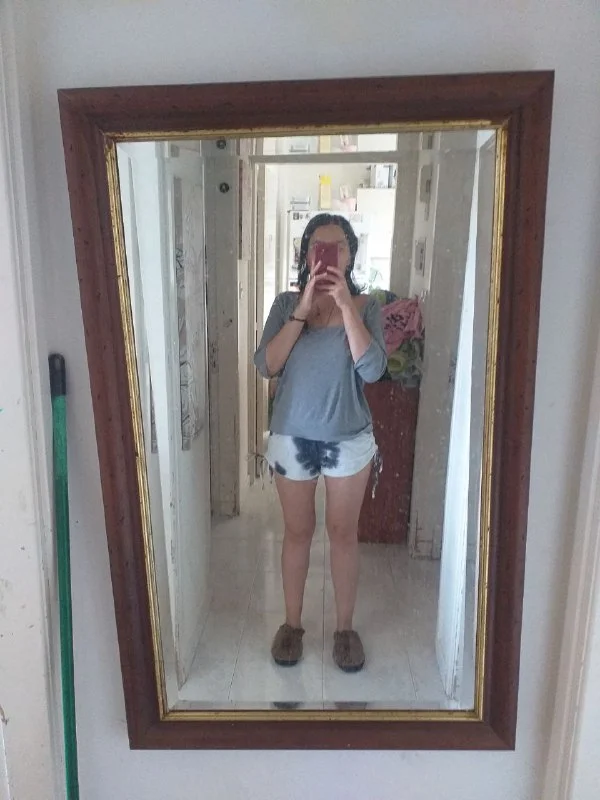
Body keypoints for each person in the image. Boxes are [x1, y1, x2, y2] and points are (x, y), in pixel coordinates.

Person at [253, 213, 387, 673]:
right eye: (317, 246)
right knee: (296, 533)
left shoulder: (367, 306)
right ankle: (291, 626)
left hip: (348, 440)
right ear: (307, 254)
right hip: (292, 437)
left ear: (350, 256)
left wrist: (346, 307)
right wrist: (303, 308)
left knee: (343, 534)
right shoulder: (286, 303)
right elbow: (266, 365)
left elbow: (373, 370)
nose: (327, 255)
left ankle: (345, 630)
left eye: (338, 247)